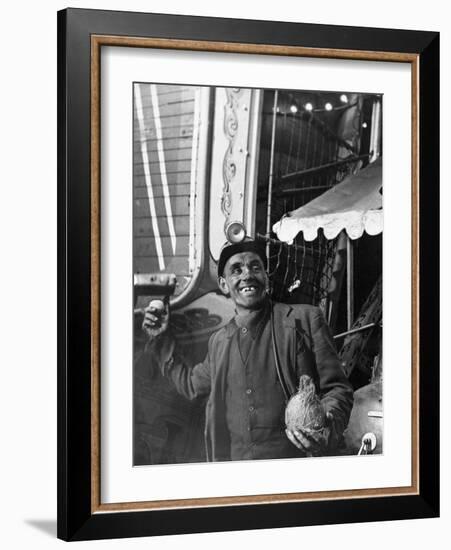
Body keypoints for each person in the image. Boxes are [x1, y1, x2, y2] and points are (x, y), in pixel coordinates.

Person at [143, 238, 353, 462]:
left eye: (255, 267)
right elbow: (192, 386)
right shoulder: (218, 343)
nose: (247, 275)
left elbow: (338, 390)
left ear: (266, 278)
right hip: (238, 474)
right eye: (236, 270)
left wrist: (325, 429)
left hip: (296, 466)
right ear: (224, 285)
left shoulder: (306, 319)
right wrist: (161, 338)